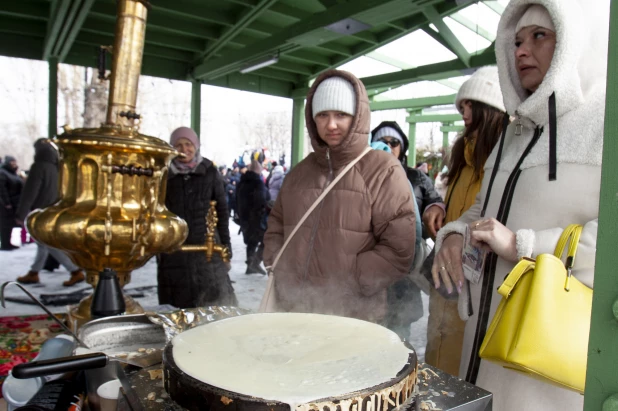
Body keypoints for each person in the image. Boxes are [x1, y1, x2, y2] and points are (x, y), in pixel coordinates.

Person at [432, 1, 608, 409]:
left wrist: (525, 245)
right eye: (516, 41)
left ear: (573, 43)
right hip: (481, 350)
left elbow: (611, 241)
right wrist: (456, 234)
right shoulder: (515, 130)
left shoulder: (606, 124)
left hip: (548, 368)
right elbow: (482, 209)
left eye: (539, 37)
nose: (520, 51)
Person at [263, 70, 416, 322]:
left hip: (353, 315)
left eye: (341, 115)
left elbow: (398, 248)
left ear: (357, 117)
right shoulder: (300, 172)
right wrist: (281, 271)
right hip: (293, 310)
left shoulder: (382, 169)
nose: (331, 124)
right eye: (323, 115)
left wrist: (350, 282)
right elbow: (276, 228)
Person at [420, 67, 506, 376]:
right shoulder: (463, 153)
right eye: (461, 106)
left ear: (492, 108)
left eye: (470, 105)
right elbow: (464, 203)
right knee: (438, 346)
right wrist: (439, 206)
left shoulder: (504, 160)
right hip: (446, 276)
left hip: (476, 282)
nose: (464, 112)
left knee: (463, 364)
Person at [370, 121, 444, 338]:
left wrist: (434, 208)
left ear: (402, 147)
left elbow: (433, 199)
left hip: (403, 278)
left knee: (399, 343)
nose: (389, 146)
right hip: (368, 274)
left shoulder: (416, 177)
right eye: (383, 141)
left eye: (394, 142)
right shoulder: (360, 175)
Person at [157, 127, 237, 309]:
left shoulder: (209, 171)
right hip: (175, 252)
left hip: (207, 251)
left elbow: (222, 213)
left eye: (188, 144)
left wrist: (227, 250)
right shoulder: (164, 175)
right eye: (178, 145)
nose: (184, 149)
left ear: (196, 146)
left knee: (217, 306)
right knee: (179, 309)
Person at [14, 139, 85, 286]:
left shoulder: (39, 167)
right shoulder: (58, 168)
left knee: (46, 243)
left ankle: (74, 271)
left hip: (42, 211)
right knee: (44, 243)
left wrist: (21, 214)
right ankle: (34, 272)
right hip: (55, 209)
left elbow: (30, 192)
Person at [236, 152, 270, 275]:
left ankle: (250, 266)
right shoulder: (257, 183)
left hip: (244, 217)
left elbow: (236, 199)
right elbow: (261, 200)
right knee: (267, 240)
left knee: (251, 242)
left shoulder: (242, 182)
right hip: (257, 218)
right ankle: (254, 262)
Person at [0, 155, 23, 250]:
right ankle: (5, 244)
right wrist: (6, 203)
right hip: (5, 204)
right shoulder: (3, 173)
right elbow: (2, 190)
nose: (14, 164)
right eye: (12, 162)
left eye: (15, 162)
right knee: (5, 224)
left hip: (14, 202)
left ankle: (8, 242)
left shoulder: (13, 174)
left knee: (9, 224)